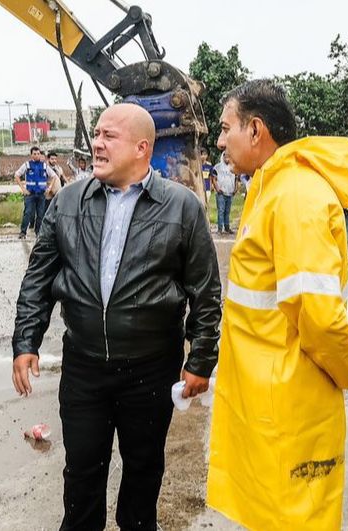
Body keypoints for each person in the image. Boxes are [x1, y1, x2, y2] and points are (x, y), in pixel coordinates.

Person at [12, 103, 221, 530]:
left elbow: (205, 292)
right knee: (82, 473)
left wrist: (200, 360)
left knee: (143, 474)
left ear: (142, 148)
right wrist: (25, 341)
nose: (97, 143)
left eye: (109, 136)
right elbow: (39, 276)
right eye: (97, 134)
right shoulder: (70, 200)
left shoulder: (182, 208)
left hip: (151, 370)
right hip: (85, 368)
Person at [206, 79, 348, 530]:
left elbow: (318, 312)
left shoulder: (294, 194)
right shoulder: (270, 186)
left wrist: (346, 368)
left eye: (226, 128)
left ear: (256, 130)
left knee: (296, 517)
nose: (219, 141)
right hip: (272, 395)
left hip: (292, 399)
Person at [14, 146, 58, 239]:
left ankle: (38, 233)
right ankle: (23, 232)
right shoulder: (27, 165)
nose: (37, 155)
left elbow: (54, 176)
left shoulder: (44, 165)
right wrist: (23, 189)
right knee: (28, 212)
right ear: (31, 155)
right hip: (30, 193)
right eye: (35, 154)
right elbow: (17, 175)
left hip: (41, 194)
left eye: (38, 154)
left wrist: (49, 188)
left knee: (40, 214)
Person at [210, 151, 238, 234]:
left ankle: (227, 228)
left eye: (229, 157)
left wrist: (236, 188)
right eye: (226, 157)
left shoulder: (233, 167)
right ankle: (219, 229)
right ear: (222, 157)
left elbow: (236, 178)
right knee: (221, 211)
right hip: (221, 194)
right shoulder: (217, 167)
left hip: (230, 193)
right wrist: (217, 189)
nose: (227, 159)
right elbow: (214, 179)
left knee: (227, 211)